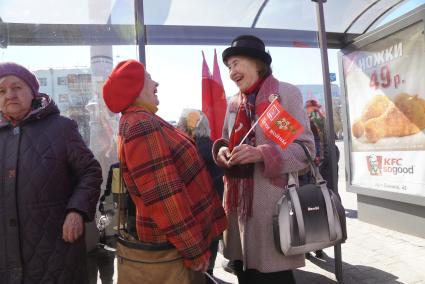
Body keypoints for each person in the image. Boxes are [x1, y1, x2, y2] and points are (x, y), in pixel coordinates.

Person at [102, 59, 227, 284]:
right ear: (135, 87)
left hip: (175, 240)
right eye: (149, 78)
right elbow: (164, 195)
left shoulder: (142, 119)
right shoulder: (141, 124)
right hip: (174, 246)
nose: (156, 83)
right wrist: (193, 249)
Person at [212, 35, 315, 284]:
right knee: (243, 274)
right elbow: (227, 141)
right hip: (236, 209)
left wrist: (261, 153)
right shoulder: (234, 103)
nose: (231, 72)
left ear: (258, 63)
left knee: (274, 278)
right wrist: (223, 152)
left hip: (272, 211)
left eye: (236, 63)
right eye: (228, 67)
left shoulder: (282, 95)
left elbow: (305, 150)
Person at [0, 62, 102, 283]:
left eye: (16, 87)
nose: (9, 94)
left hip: (56, 258)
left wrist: (76, 211)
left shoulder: (61, 128)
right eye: (1, 90)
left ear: (32, 92)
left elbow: (90, 172)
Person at [177, 109, 225, 282]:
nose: (177, 127)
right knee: (208, 269)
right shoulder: (213, 147)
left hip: (197, 221)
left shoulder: (190, 150)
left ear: (188, 126)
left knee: (199, 275)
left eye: (180, 124)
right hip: (214, 216)